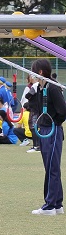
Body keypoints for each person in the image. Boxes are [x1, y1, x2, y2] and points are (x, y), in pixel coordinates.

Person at [26, 59, 66, 215]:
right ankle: (57, 204)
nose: (32, 74)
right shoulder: (41, 88)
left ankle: (50, 206)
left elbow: (63, 110)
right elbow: (34, 108)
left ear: (40, 72)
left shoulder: (53, 87)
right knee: (50, 168)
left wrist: (54, 123)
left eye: (33, 70)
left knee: (52, 168)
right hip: (43, 129)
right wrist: (32, 95)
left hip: (52, 131)